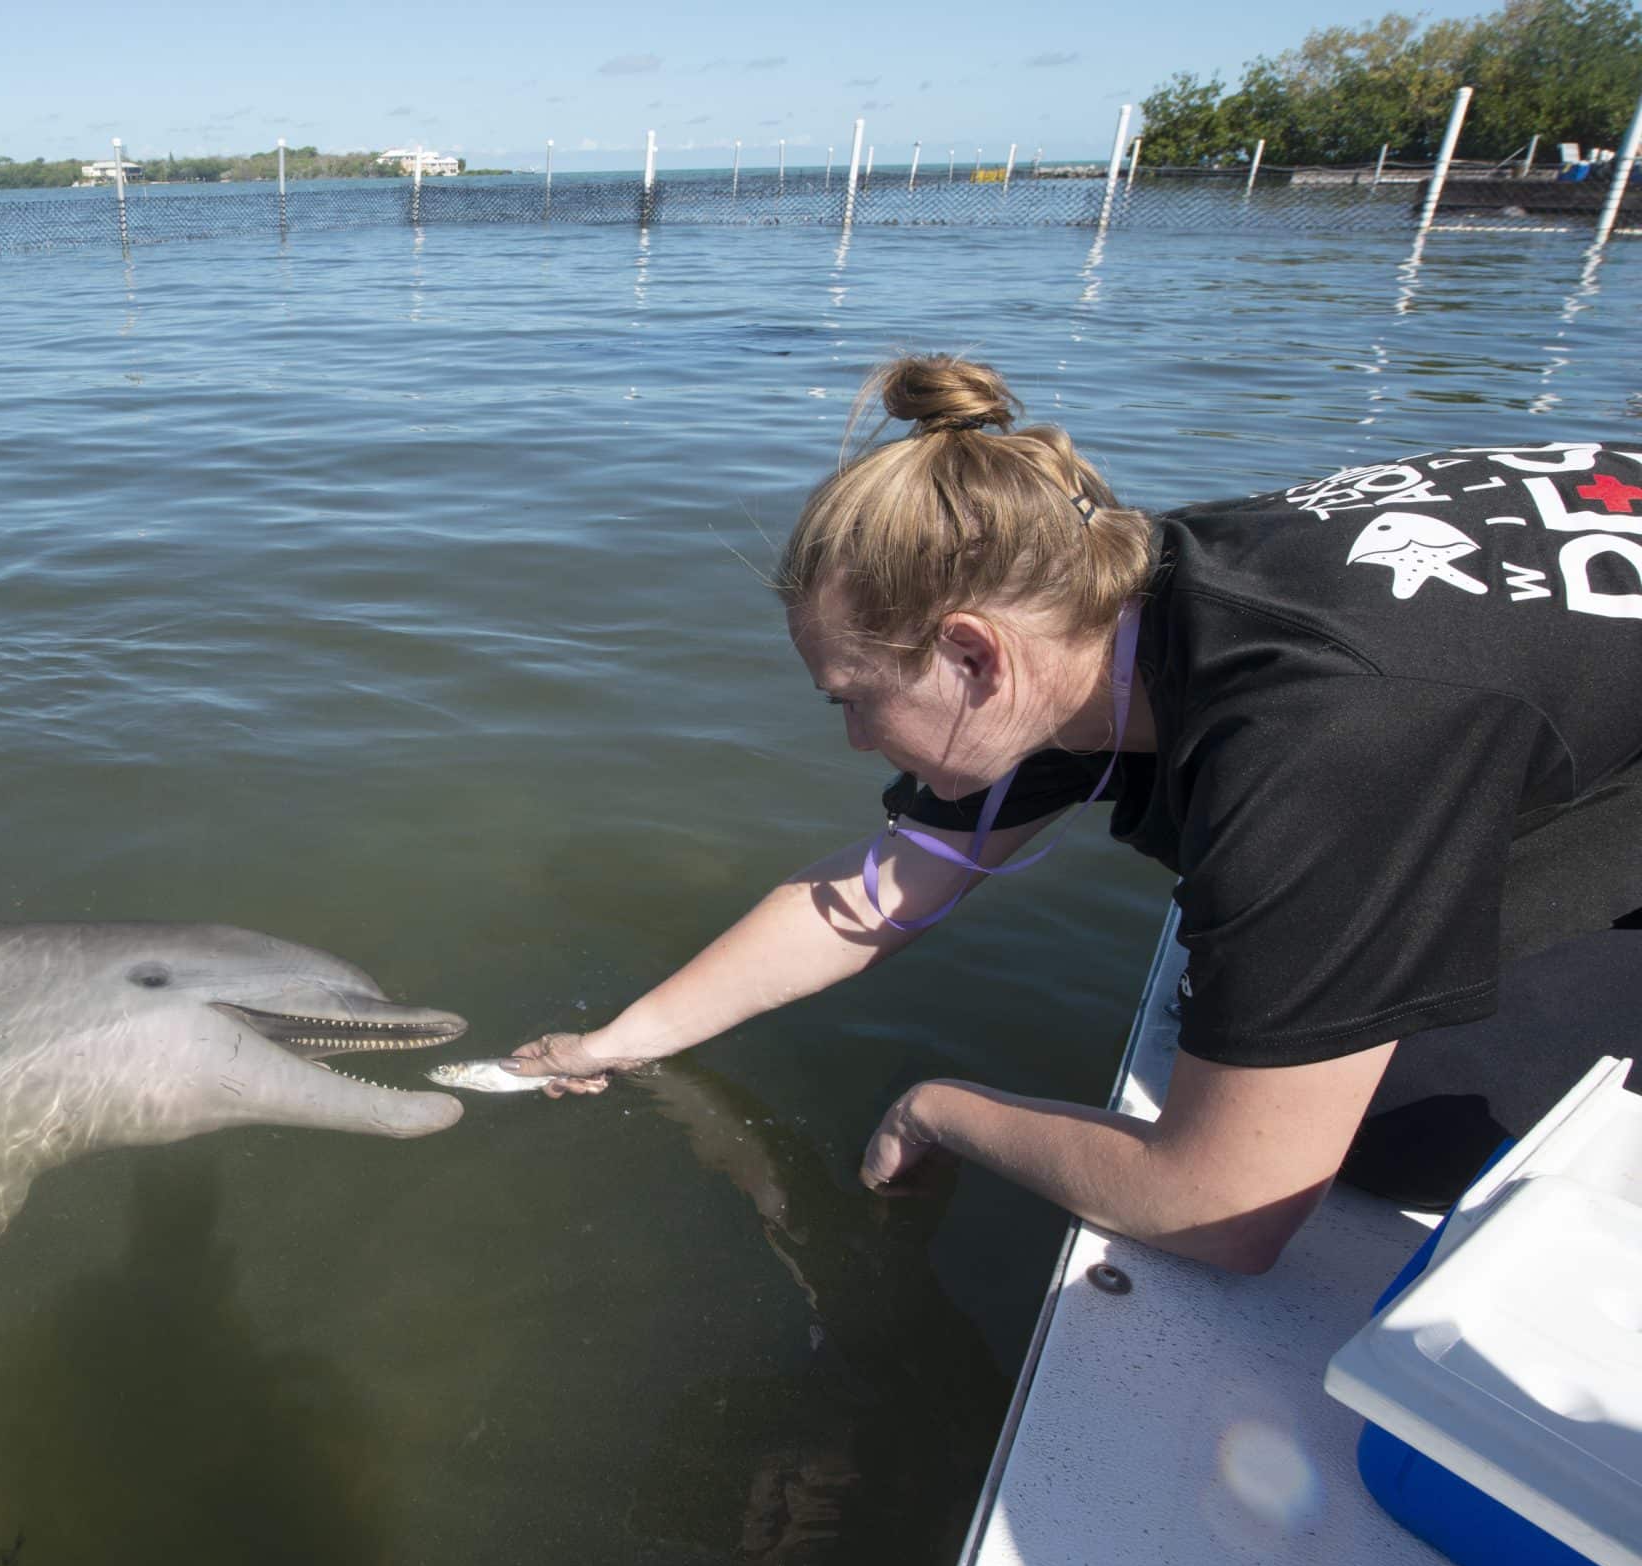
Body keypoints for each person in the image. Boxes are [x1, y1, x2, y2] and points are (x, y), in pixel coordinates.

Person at [509, 355, 1642, 1272]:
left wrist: (945, 1107)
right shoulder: (1106, 607)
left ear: (970, 652)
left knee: (1393, 1121)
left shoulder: (1320, 736)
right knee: (1288, 1020)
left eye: (855, 701)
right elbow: (876, 891)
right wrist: (617, 1040)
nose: (853, 741)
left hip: (1455, 711)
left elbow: (1226, 1208)